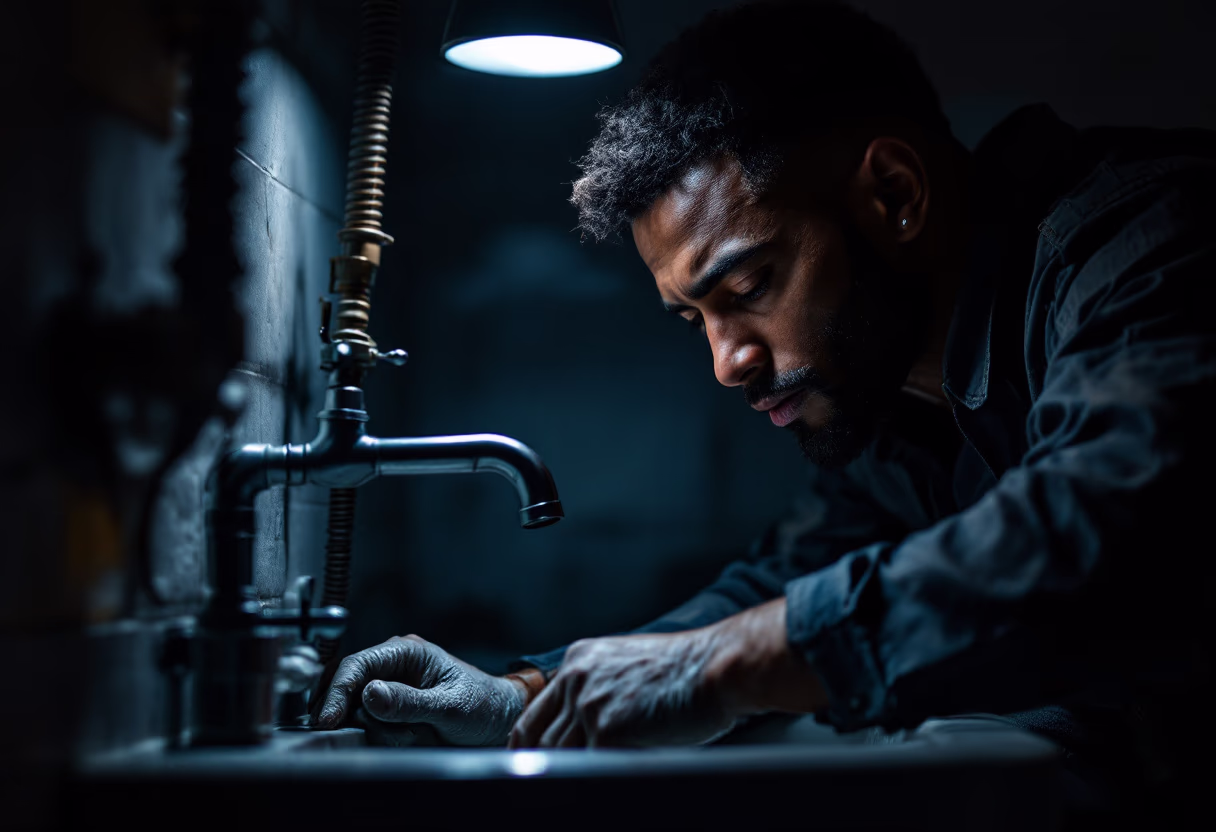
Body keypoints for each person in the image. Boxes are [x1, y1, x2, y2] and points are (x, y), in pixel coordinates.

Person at [313, 0, 1214, 817]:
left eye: (748, 285)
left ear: (893, 194)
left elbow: (1118, 532)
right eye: (692, 319)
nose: (726, 361)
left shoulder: (1153, 244)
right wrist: (525, 696)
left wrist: (724, 668)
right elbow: (786, 584)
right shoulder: (892, 401)